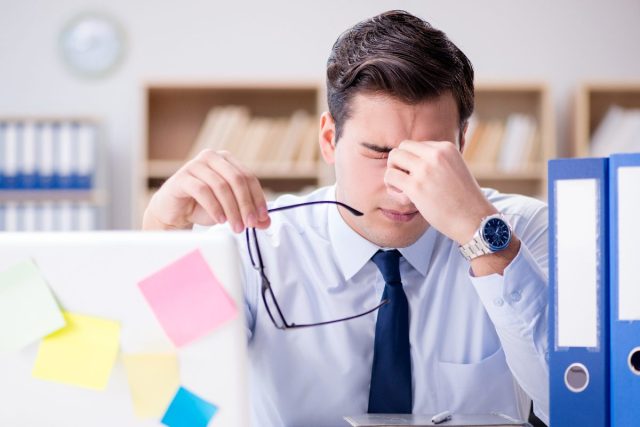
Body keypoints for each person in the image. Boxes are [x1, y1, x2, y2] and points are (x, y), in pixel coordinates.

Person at [143, 10, 549, 427]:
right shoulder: (255, 244)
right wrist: (163, 233)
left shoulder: (524, 231)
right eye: (378, 152)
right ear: (328, 140)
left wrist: (483, 237)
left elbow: (575, 408)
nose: (402, 186)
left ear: (462, 143)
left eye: (431, 158)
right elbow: (178, 394)